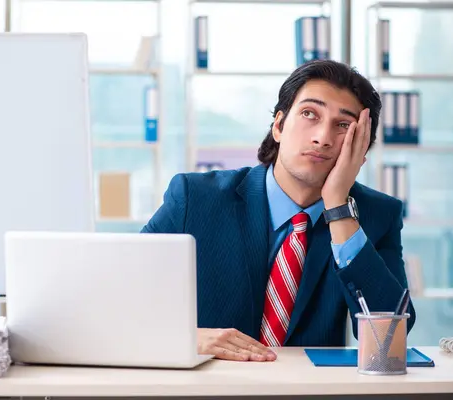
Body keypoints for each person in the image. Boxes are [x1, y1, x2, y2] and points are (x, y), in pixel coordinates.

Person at [141, 59, 416, 362]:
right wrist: (186, 337)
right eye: (309, 114)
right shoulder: (194, 198)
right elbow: (117, 297)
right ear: (279, 126)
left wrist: (338, 208)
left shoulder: (378, 215)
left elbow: (390, 337)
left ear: (360, 151)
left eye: (343, 126)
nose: (322, 138)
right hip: (211, 389)